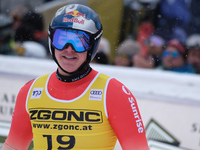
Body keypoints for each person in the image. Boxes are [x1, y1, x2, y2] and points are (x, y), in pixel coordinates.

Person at [1, 4, 149, 150]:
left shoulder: (114, 92)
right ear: (51, 41)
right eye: (62, 39)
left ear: (93, 46)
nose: (69, 49)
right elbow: (14, 147)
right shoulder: (30, 91)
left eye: (79, 41)